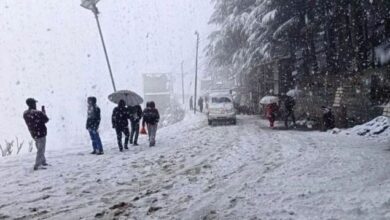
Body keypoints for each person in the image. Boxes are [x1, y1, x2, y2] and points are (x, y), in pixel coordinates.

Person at [23, 98, 50, 170]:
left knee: (39, 147)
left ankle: (43, 161)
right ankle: (37, 165)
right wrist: (43, 113)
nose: (35, 104)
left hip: (34, 133)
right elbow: (46, 119)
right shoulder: (38, 113)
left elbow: (33, 121)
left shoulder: (25, 113)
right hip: (41, 132)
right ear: (32, 104)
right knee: (41, 149)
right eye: (35, 103)